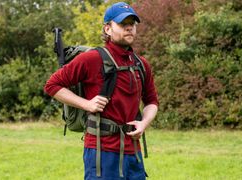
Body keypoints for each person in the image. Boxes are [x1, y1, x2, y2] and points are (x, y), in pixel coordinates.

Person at [44, 2, 158, 180]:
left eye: (132, 24)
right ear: (108, 29)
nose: (129, 28)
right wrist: (86, 104)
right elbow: (52, 85)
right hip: (101, 152)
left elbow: (152, 101)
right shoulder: (91, 58)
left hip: (133, 152)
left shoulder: (141, 64)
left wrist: (144, 123)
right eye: (123, 24)